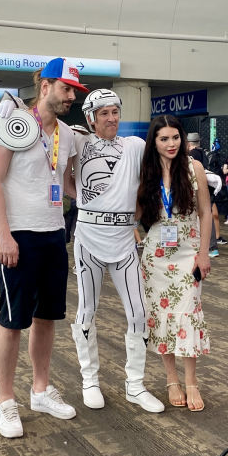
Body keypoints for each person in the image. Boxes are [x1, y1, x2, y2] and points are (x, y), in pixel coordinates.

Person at [0, 57, 89, 438]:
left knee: (47, 317)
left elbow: (70, 185)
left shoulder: (69, 134)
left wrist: (103, 201)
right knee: (12, 321)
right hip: (19, 236)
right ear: (44, 86)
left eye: (75, 92)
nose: (71, 98)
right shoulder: (12, 125)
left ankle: (40, 390)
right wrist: (4, 234)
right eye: (66, 89)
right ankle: (6, 401)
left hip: (53, 234)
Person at [64, 89, 165, 413]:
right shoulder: (78, 141)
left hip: (123, 243)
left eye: (115, 112)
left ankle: (135, 385)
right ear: (91, 116)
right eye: (104, 112)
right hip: (89, 241)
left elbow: (159, 168)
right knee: (86, 311)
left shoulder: (135, 146)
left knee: (139, 313)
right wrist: (80, 195)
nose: (111, 118)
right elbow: (54, 167)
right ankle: (89, 380)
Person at [138, 115, 211, 412]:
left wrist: (204, 253)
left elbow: (206, 213)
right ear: (153, 142)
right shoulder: (146, 172)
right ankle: (171, 378)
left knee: (188, 312)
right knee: (160, 316)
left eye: (175, 137)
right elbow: (135, 212)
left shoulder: (194, 169)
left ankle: (191, 381)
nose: (171, 144)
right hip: (155, 256)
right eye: (164, 138)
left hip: (188, 253)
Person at [186, 133, 223, 256]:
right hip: (210, 188)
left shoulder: (192, 156)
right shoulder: (206, 153)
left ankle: (209, 246)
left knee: (200, 216)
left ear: (188, 143)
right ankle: (212, 247)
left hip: (198, 189)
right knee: (207, 215)